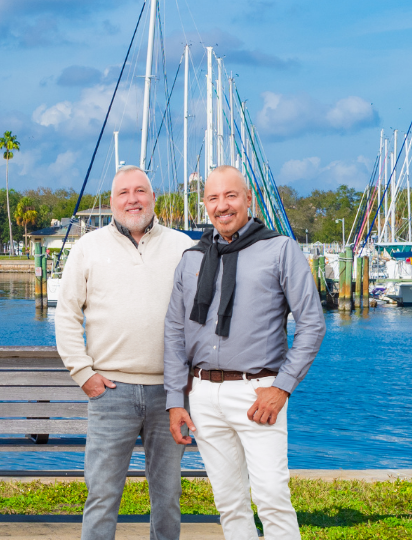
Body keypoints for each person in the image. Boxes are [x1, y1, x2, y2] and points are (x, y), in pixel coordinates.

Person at [165, 166, 325, 540]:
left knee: (271, 497)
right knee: (229, 503)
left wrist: (282, 387)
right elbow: (174, 332)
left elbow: (312, 324)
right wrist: (176, 400)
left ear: (248, 199)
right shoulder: (192, 258)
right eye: (213, 198)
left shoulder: (280, 249)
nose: (222, 206)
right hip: (202, 395)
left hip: (259, 394)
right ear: (205, 204)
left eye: (231, 195)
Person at [55, 165, 195, 540]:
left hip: (169, 394)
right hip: (110, 392)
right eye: (124, 193)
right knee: (102, 495)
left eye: (140, 191)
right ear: (112, 202)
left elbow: (201, 315)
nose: (133, 199)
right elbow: (66, 315)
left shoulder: (183, 246)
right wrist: (84, 375)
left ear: (153, 198)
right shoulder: (88, 248)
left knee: (167, 497)